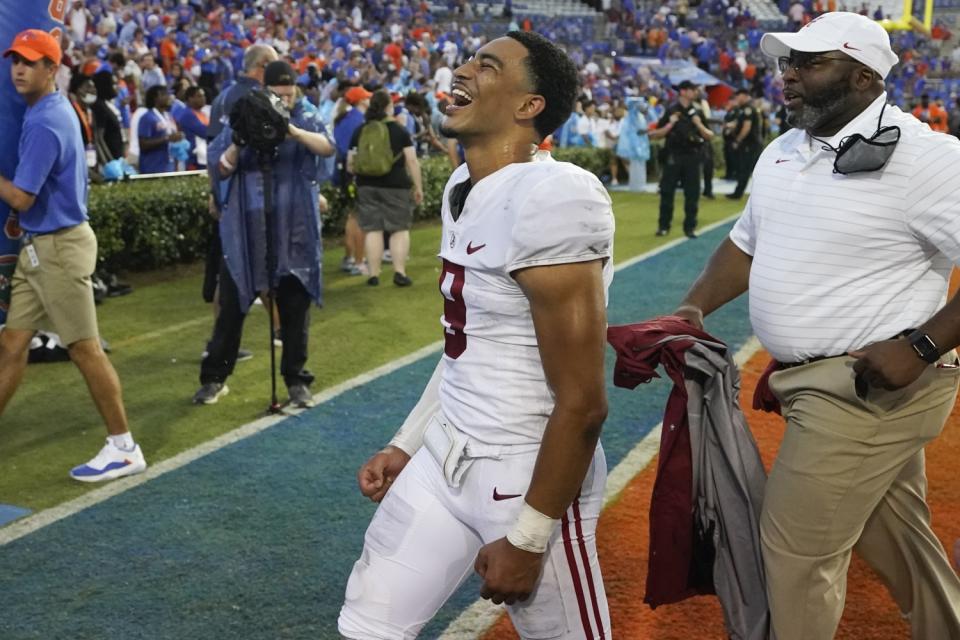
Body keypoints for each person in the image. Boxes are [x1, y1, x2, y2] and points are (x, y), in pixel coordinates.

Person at [671, 13, 960, 639]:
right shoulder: (785, 149)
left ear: (863, 76)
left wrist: (925, 343)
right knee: (898, 537)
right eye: (787, 63)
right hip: (815, 384)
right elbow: (746, 244)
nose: (790, 75)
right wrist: (693, 306)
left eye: (811, 63)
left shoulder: (928, 158)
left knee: (794, 558)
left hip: (864, 389)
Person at [339, 31, 614, 639]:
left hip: (524, 469)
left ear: (528, 105)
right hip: (444, 455)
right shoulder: (462, 186)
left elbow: (583, 401)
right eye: (465, 58)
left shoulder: (554, 194)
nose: (461, 70)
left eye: (486, 65)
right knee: (367, 627)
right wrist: (408, 441)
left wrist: (531, 534)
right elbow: (467, 345)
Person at [0, 29, 146, 482]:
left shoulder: (45, 119)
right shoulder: (50, 110)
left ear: (51, 67)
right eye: (15, 60)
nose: (19, 68)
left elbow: (22, 198)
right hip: (44, 247)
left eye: (30, 61)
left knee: (84, 349)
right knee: (11, 343)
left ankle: (124, 446)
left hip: (58, 247)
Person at [193, 60, 334, 407]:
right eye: (278, 94)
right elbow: (220, 168)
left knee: (295, 307)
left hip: (293, 228)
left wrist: (293, 131)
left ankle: (296, 381)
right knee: (230, 308)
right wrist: (240, 140)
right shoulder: (244, 113)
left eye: (290, 93)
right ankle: (214, 377)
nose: (285, 99)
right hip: (247, 229)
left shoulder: (306, 115)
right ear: (266, 89)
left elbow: (328, 148)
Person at [347, 89, 422, 287]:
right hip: (396, 185)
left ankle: (374, 274)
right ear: (389, 107)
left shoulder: (361, 130)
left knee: (373, 229)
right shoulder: (399, 130)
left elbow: (350, 163)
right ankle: (399, 272)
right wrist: (418, 186)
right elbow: (412, 161)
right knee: (399, 229)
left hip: (366, 185)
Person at [649, 80, 713, 238]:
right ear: (683, 92)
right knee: (667, 192)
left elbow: (709, 135)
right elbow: (655, 135)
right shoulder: (671, 110)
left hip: (692, 156)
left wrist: (698, 125)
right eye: (692, 89)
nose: (695, 92)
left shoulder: (698, 111)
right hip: (673, 156)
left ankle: (690, 227)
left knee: (692, 194)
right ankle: (664, 226)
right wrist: (670, 125)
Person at [726, 89, 762, 200]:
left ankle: (738, 193)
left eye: (739, 96)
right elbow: (740, 123)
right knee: (745, 169)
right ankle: (739, 192)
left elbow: (746, 127)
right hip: (749, 144)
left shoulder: (748, 109)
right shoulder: (743, 109)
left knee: (744, 170)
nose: (737, 98)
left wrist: (737, 140)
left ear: (745, 96)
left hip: (749, 144)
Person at [137, 85, 182, 175]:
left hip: (170, 166)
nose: (168, 97)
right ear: (155, 98)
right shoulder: (147, 117)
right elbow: (143, 144)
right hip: (153, 167)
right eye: (164, 94)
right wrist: (167, 138)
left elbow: (172, 139)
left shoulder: (169, 116)